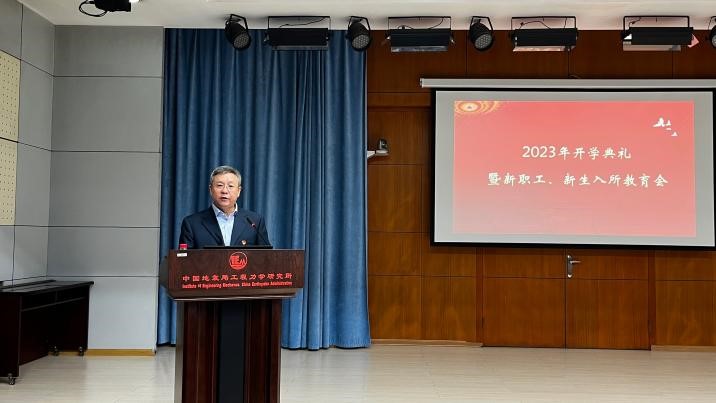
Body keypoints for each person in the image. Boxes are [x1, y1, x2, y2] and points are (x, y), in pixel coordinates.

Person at [179, 165, 270, 248]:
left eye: (230, 186)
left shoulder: (255, 222)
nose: (225, 191)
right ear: (210, 190)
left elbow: (266, 257)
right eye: (219, 185)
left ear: (239, 191)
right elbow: (184, 259)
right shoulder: (192, 223)